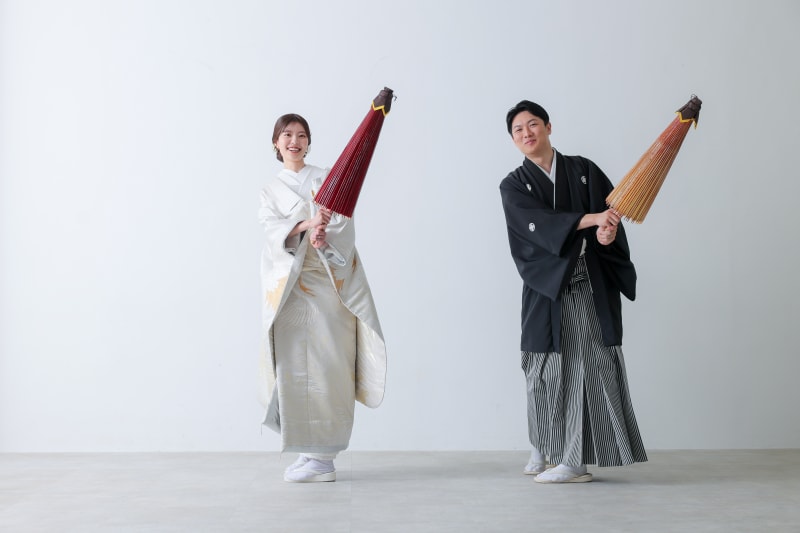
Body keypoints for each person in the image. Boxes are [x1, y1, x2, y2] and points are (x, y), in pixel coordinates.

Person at [499, 100, 647, 483]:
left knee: (583, 366)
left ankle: (574, 459)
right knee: (539, 366)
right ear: (513, 140)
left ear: (549, 127)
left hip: (585, 286)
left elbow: (608, 223)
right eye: (518, 130)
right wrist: (591, 220)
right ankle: (543, 444)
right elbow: (535, 227)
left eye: (533, 124)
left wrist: (606, 233)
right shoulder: (513, 185)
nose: (527, 133)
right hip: (545, 287)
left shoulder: (584, 171)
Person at [258, 113, 387, 483]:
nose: (294, 141)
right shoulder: (270, 190)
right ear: (276, 143)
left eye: (301, 135)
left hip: (329, 284)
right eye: (286, 135)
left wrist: (324, 236)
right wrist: (305, 226)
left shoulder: (327, 176)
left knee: (329, 363)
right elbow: (271, 233)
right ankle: (307, 449)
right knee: (294, 367)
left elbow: (343, 221)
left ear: (308, 142)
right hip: (291, 289)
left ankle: (325, 457)